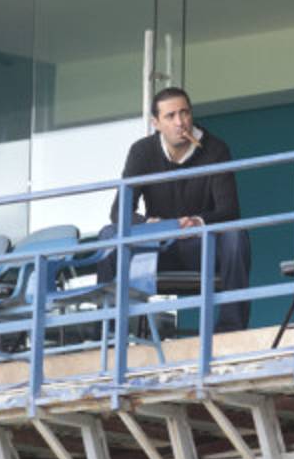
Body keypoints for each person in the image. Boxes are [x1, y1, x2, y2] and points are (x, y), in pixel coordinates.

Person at [97, 87, 252, 332]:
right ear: (156, 123)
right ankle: (109, 332)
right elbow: (119, 211)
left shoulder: (215, 150)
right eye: (170, 116)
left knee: (235, 234)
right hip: (157, 247)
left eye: (185, 113)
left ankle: (230, 329)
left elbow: (229, 210)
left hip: (198, 247)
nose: (180, 122)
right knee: (109, 234)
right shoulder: (142, 151)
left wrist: (196, 222)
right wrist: (148, 224)